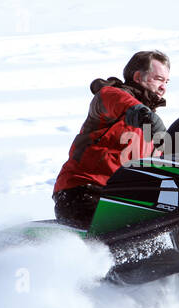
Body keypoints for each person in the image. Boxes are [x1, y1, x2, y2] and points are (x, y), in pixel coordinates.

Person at [53, 50, 170, 229]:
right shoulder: (110, 97)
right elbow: (118, 101)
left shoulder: (151, 128)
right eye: (159, 79)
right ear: (138, 76)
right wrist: (143, 115)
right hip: (84, 191)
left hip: (121, 198)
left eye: (166, 82)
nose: (164, 87)